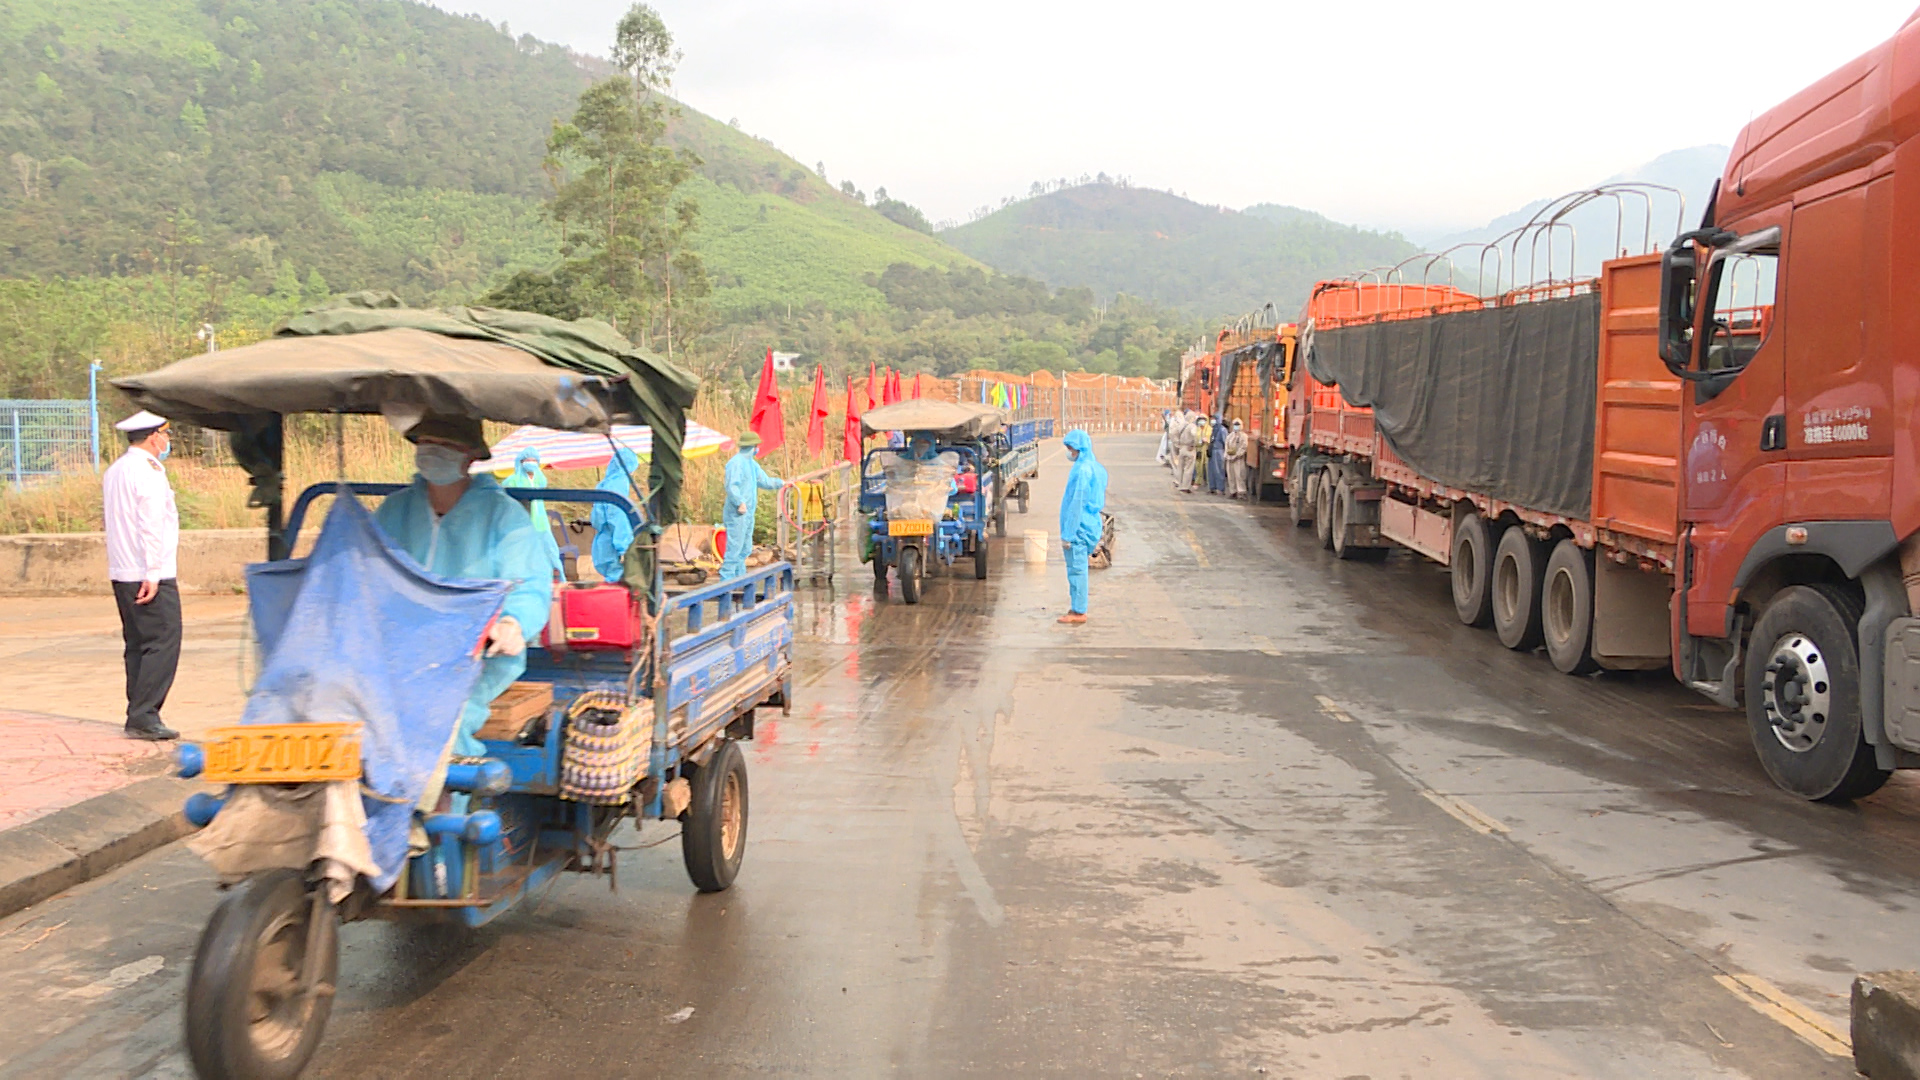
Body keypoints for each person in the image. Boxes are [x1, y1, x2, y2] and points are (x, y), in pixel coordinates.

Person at [373, 414, 552, 759]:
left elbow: (530, 584)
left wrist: (512, 623)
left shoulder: (501, 515)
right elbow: (367, 573)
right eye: (426, 442)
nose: (433, 451)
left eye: (447, 445)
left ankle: (449, 803)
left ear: (470, 456)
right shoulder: (395, 511)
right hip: (400, 650)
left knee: (442, 720)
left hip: (474, 655)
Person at [103, 410, 182, 741]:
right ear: (154, 437)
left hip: (123, 570)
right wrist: (153, 572)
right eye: (166, 435)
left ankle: (137, 711)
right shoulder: (149, 472)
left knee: (137, 642)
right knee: (163, 640)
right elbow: (150, 524)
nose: (167, 441)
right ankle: (145, 714)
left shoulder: (115, 470)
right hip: (150, 573)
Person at [1056, 429, 1107, 625]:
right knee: (1078, 568)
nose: (1069, 452)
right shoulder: (1095, 467)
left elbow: (1077, 502)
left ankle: (1079, 611)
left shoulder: (1082, 471)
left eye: (1070, 448)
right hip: (1090, 524)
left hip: (1080, 527)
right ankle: (1077, 607)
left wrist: (1068, 533)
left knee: (1077, 570)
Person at [720, 432, 785, 580]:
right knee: (734, 547)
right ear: (751, 446)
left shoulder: (752, 464)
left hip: (748, 513)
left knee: (745, 547)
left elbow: (764, 481)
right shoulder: (735, 463)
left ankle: (739, 578)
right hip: (737, 513)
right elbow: (732, 486)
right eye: (756, 446)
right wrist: (739, 502)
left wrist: (780, 483)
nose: (757, 449)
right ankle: (726, 579)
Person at [503, 447, 565, 581]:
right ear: (521, 462)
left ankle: (560, 580)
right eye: (528, 460)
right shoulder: (511, 481)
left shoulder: (539, 480)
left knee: (551, 553)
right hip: (522, 527)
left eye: (534, 460)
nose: (531, 463)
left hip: (541, 524)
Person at [590, 446, 641, 584]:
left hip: (603, 541)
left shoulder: (605, 483)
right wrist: (625, 548)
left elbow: (597, 518)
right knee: (619, 583)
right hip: (613, 543)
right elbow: (618, 519)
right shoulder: (619, 484)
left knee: (611, 578)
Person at [1169, 411, 1199, 493]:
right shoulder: (1192, 426)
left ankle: (1179, 483)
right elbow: (1195, 435)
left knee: (1180, 467)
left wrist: (1177, 442)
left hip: (1182, 448)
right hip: (1190, 448)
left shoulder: (1181, 425)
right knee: (1188, 468)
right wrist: (1195, 443)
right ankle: (1185, 486)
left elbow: (1172, 433)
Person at [1225, 419, 1250, 500]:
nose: (1236, 426)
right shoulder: (1229, 436)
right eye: (1235, 425)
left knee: (1239, 475)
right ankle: (1233, 491)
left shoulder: (1244, 436)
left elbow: (1244, 447)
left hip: (1238, 459)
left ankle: (1241, 492)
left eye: (1238, 425)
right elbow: (1226, 447)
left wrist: (1237, 455)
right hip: (1229, 458)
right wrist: (1227, 456)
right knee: (1231, 475)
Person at [1206, 415, 1228, 495]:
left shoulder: (1222, 430)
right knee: (1211, 470)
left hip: (1219, 451)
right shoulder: (1213, 429)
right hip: (1212, 451)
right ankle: (1212, 487)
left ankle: (1220, 488)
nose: (1212, 421)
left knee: (1219, 470)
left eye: (1214, 419)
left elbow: (1225, 442)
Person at [1192, 414, 1213, 493]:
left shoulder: (1210, 429)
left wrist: (1207, 440)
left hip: (1207, 450)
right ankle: (1198, 482)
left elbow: (1213, 439)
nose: (1202, 421)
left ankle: (1209, 483)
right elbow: (1194, 440)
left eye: (1203, 419)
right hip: (1199, 450)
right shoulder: (1197, 429)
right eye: (1200, 419)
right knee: (1198, 467)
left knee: (1208, 467)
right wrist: (1200, 441)